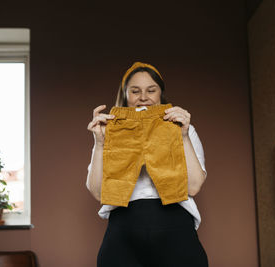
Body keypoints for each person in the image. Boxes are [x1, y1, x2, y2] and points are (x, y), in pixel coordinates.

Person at [86, 62, 208, 267]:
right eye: (135, 91)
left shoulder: (182, 128)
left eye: (151, 90)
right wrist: (100, 143)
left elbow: (194, 187)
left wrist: (183, 135)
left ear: (161, 94)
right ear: (125, 95)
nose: (143, 97)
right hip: (123, 230)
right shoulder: (110, 132)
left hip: (176, 227)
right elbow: (98, 193)